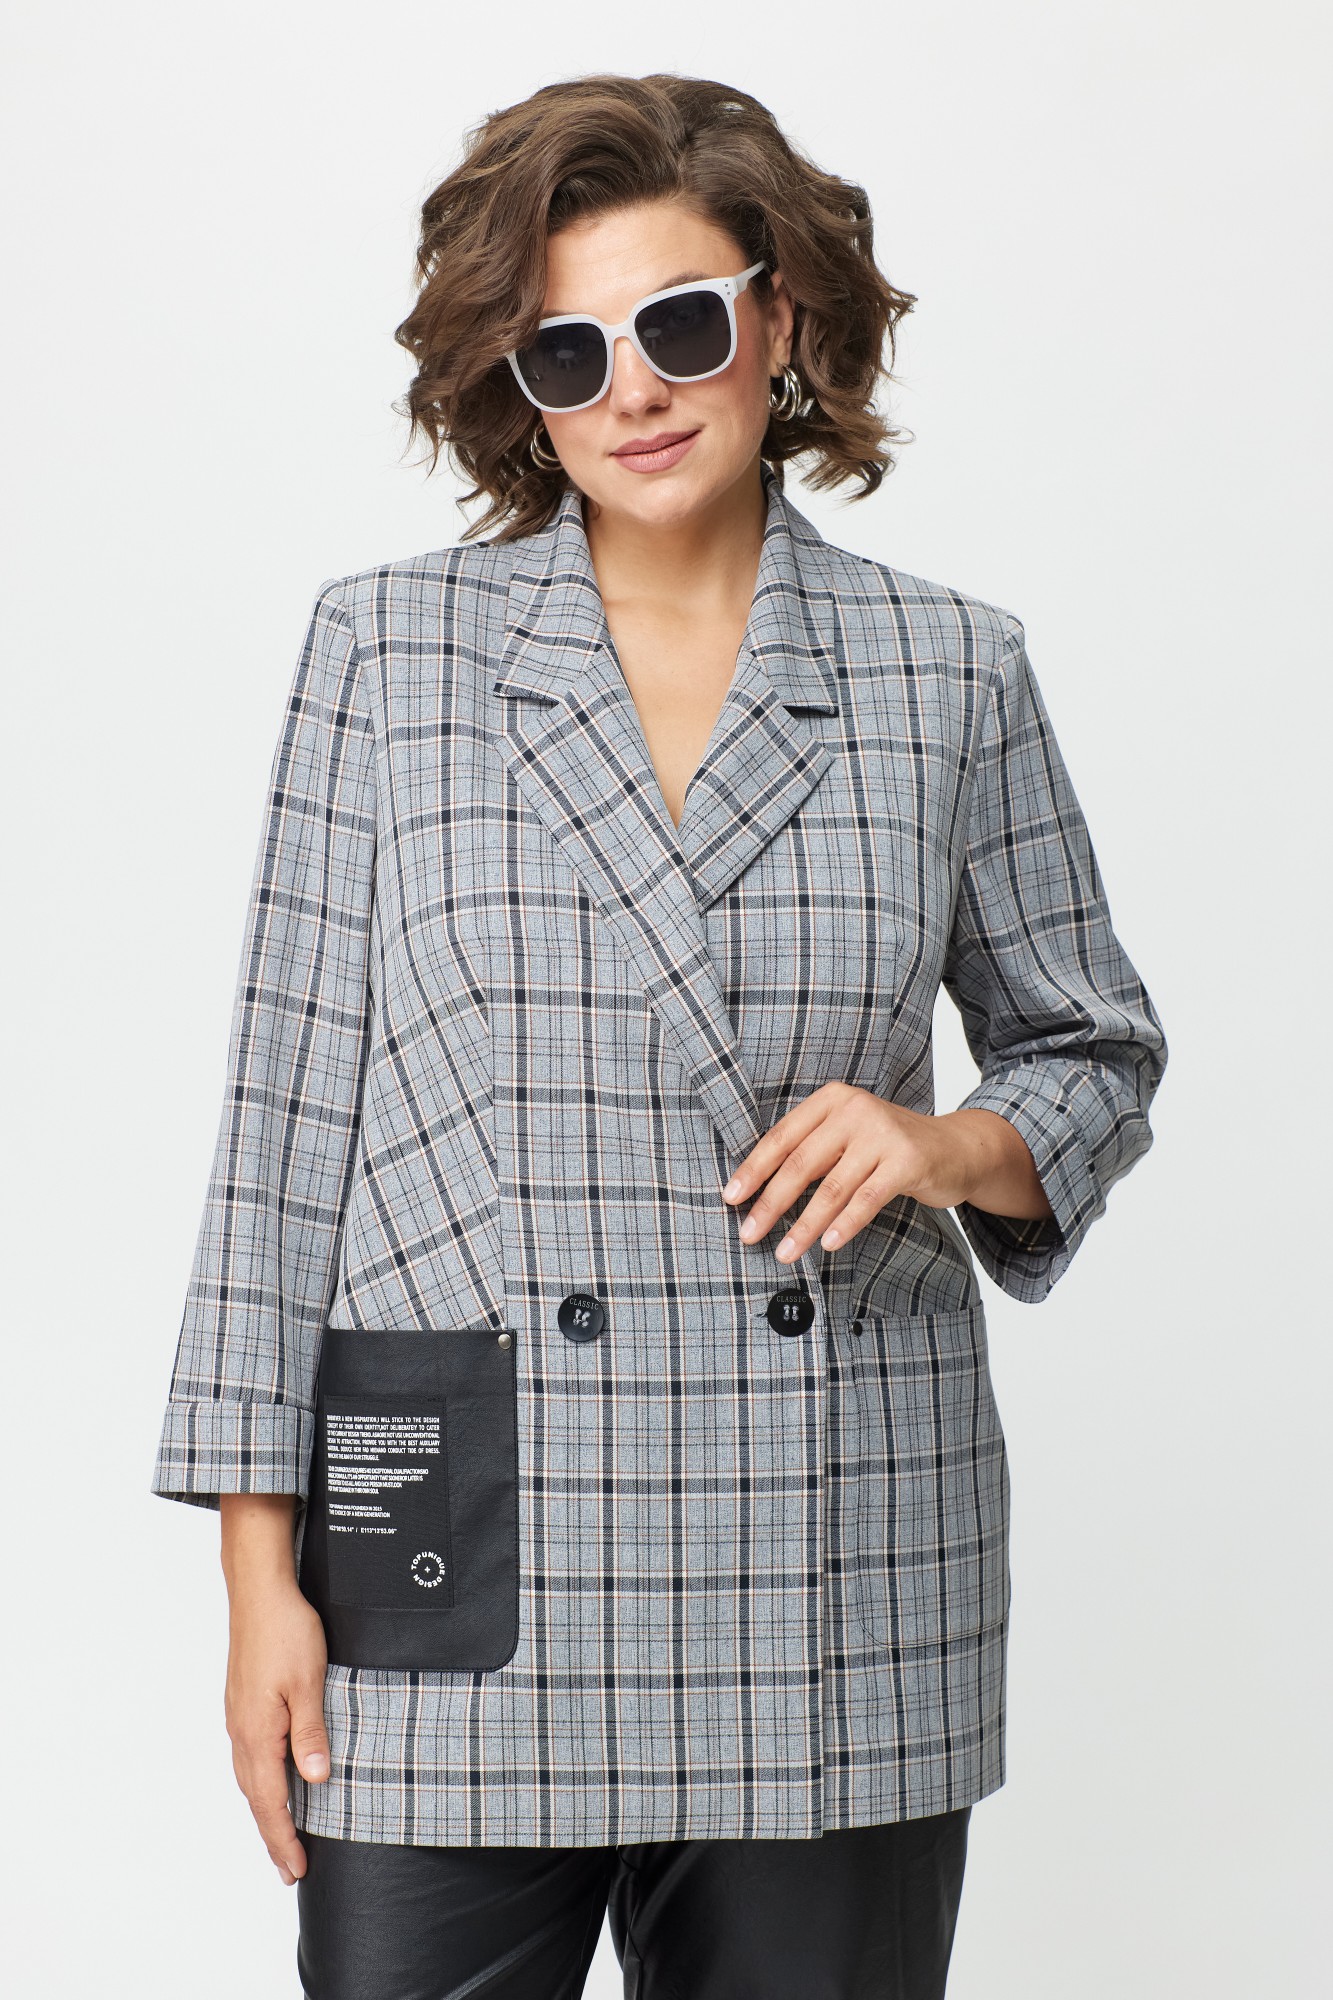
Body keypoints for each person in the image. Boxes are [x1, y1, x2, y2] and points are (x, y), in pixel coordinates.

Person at [151, 71, 1168, 2000]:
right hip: (453, 1552)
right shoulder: (388, 652)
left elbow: (1091, 1051)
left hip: (828, 1562)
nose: (634, 388)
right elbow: (282, 1130)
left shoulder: (946, 667)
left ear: (778, 319)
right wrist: (252, 1578)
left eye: (682, 324)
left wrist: (941, 1143)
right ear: (516, 387)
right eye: (568, 351)